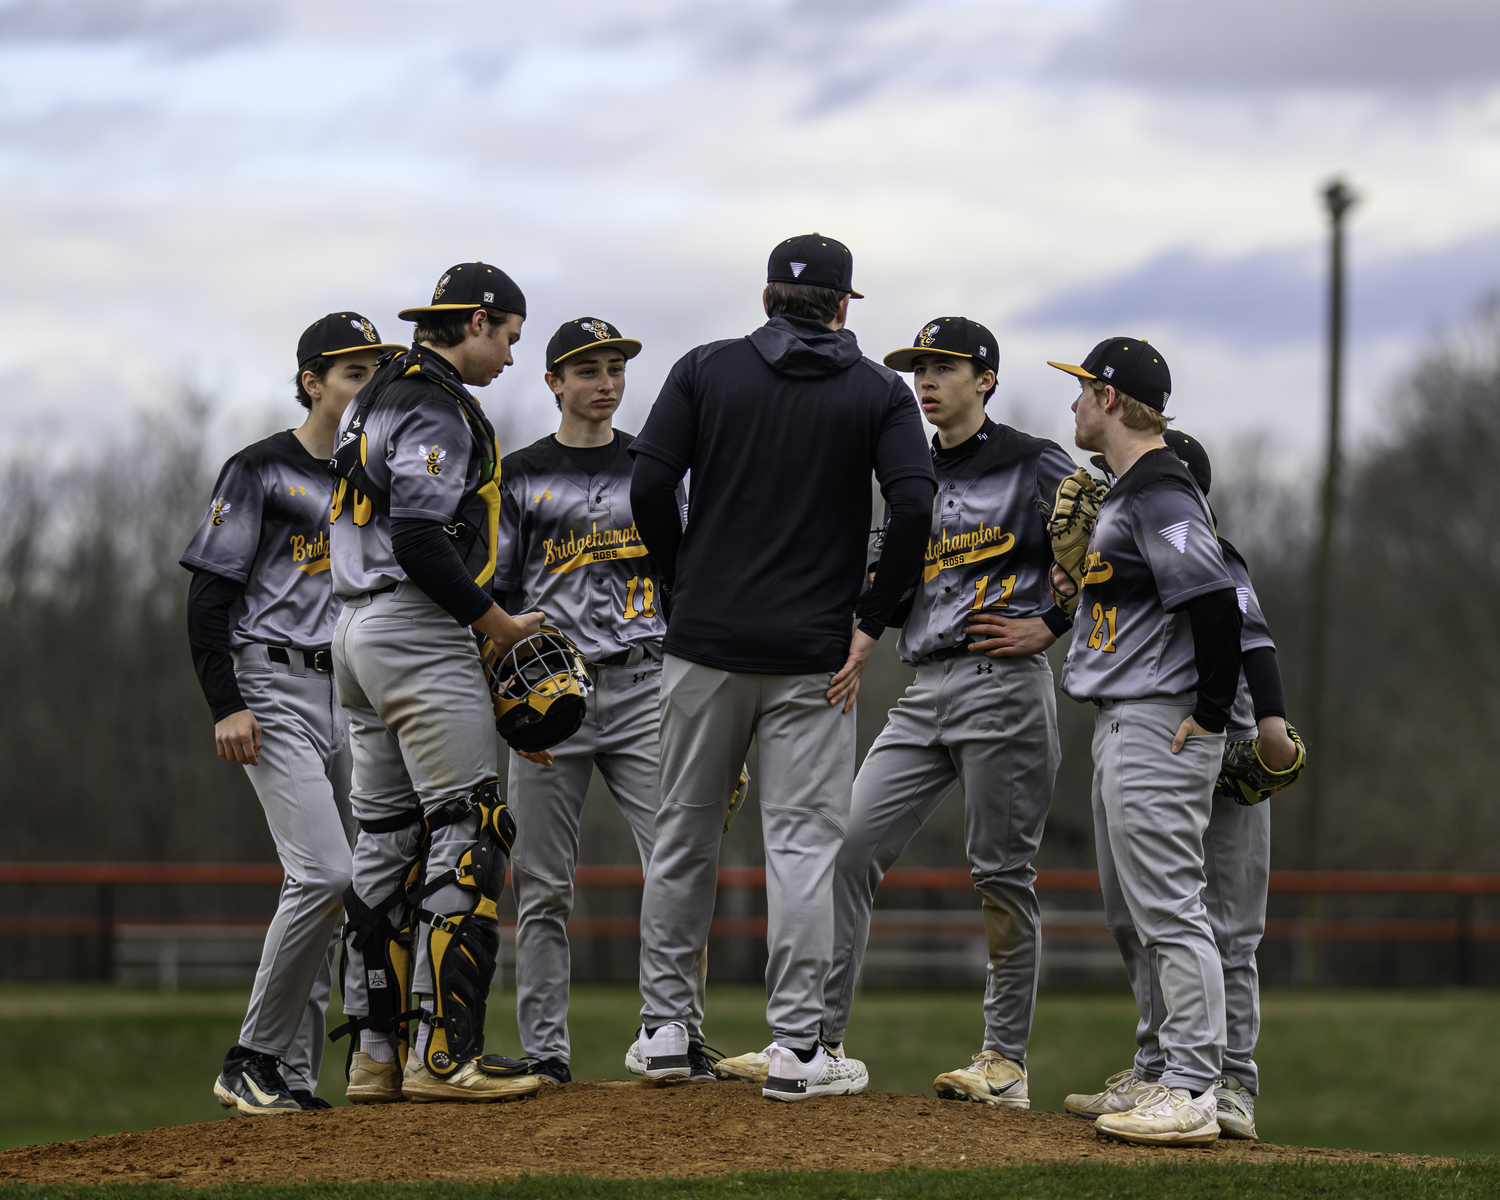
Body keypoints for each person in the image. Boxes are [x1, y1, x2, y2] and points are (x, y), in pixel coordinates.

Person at [627, 233, 936, 1101]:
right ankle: (798, 1051)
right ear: (844, 307)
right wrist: (873, 621)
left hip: (703, 644)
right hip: (817, 657)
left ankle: (663, 1031)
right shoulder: (878, 389)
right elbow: (914, 504)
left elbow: (649, 486)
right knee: (801, 849)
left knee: (683, 833)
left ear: (767, 300)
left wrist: (679, 581)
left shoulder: (704, 369)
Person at [328, 262, 544, 1104]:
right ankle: (445, 1059)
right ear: (479, 322)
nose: (512, 358)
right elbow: (421, 537)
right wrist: (496, 625)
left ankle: (375, 1057)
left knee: (384, 842)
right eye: (511, 338)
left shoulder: (374, 394)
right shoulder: (435, 404)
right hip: (414, 628)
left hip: (352, 631)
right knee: (471, 829)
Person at [182, 311, 403, 1115]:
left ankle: (293, 1079)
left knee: (329, 890)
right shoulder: (261, 470)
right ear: (312, 382)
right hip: (269, 680)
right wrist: (226, 703)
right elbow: (208, 597)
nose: (365, 389)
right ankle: (252, 1057)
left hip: (350, 686)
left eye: (375, 376)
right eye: (352, 374)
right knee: (327, 872)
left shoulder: (374, 477)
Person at [1065, 430, 1298, 1142]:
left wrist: (1272, 725)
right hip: (1172, 740)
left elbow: (1252, 641)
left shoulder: (1213, 554)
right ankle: (1160, 1063)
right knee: (1142, 918)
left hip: (1221, 752)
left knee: (1225, 929)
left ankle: (1229, 1084)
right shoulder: (1143, 551)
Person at [494, 317, 706, 1085]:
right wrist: (506, 701)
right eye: (587, 369)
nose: (606, 381)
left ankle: (676, 1033)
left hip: (648, 682)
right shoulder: (518, 473)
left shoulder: (658, 465)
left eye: (615, 366)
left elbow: (688, 577)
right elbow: (498, 594)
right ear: (553, 381)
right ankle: (547, 1052)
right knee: (545, 886)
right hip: (550, 689)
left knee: (677, 866)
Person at [1048, 337, 1241, 1147]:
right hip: (1126, 716)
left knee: (1167, 907)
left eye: (1084, 390)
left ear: (1114, 399)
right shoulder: (1129, 493)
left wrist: (1210, 710)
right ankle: (1161, 1066)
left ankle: (1194, 1084)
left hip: (1160, 717)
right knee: (1133, 911)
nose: (1075, 404)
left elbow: (1216, 600)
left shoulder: (1160, 490)